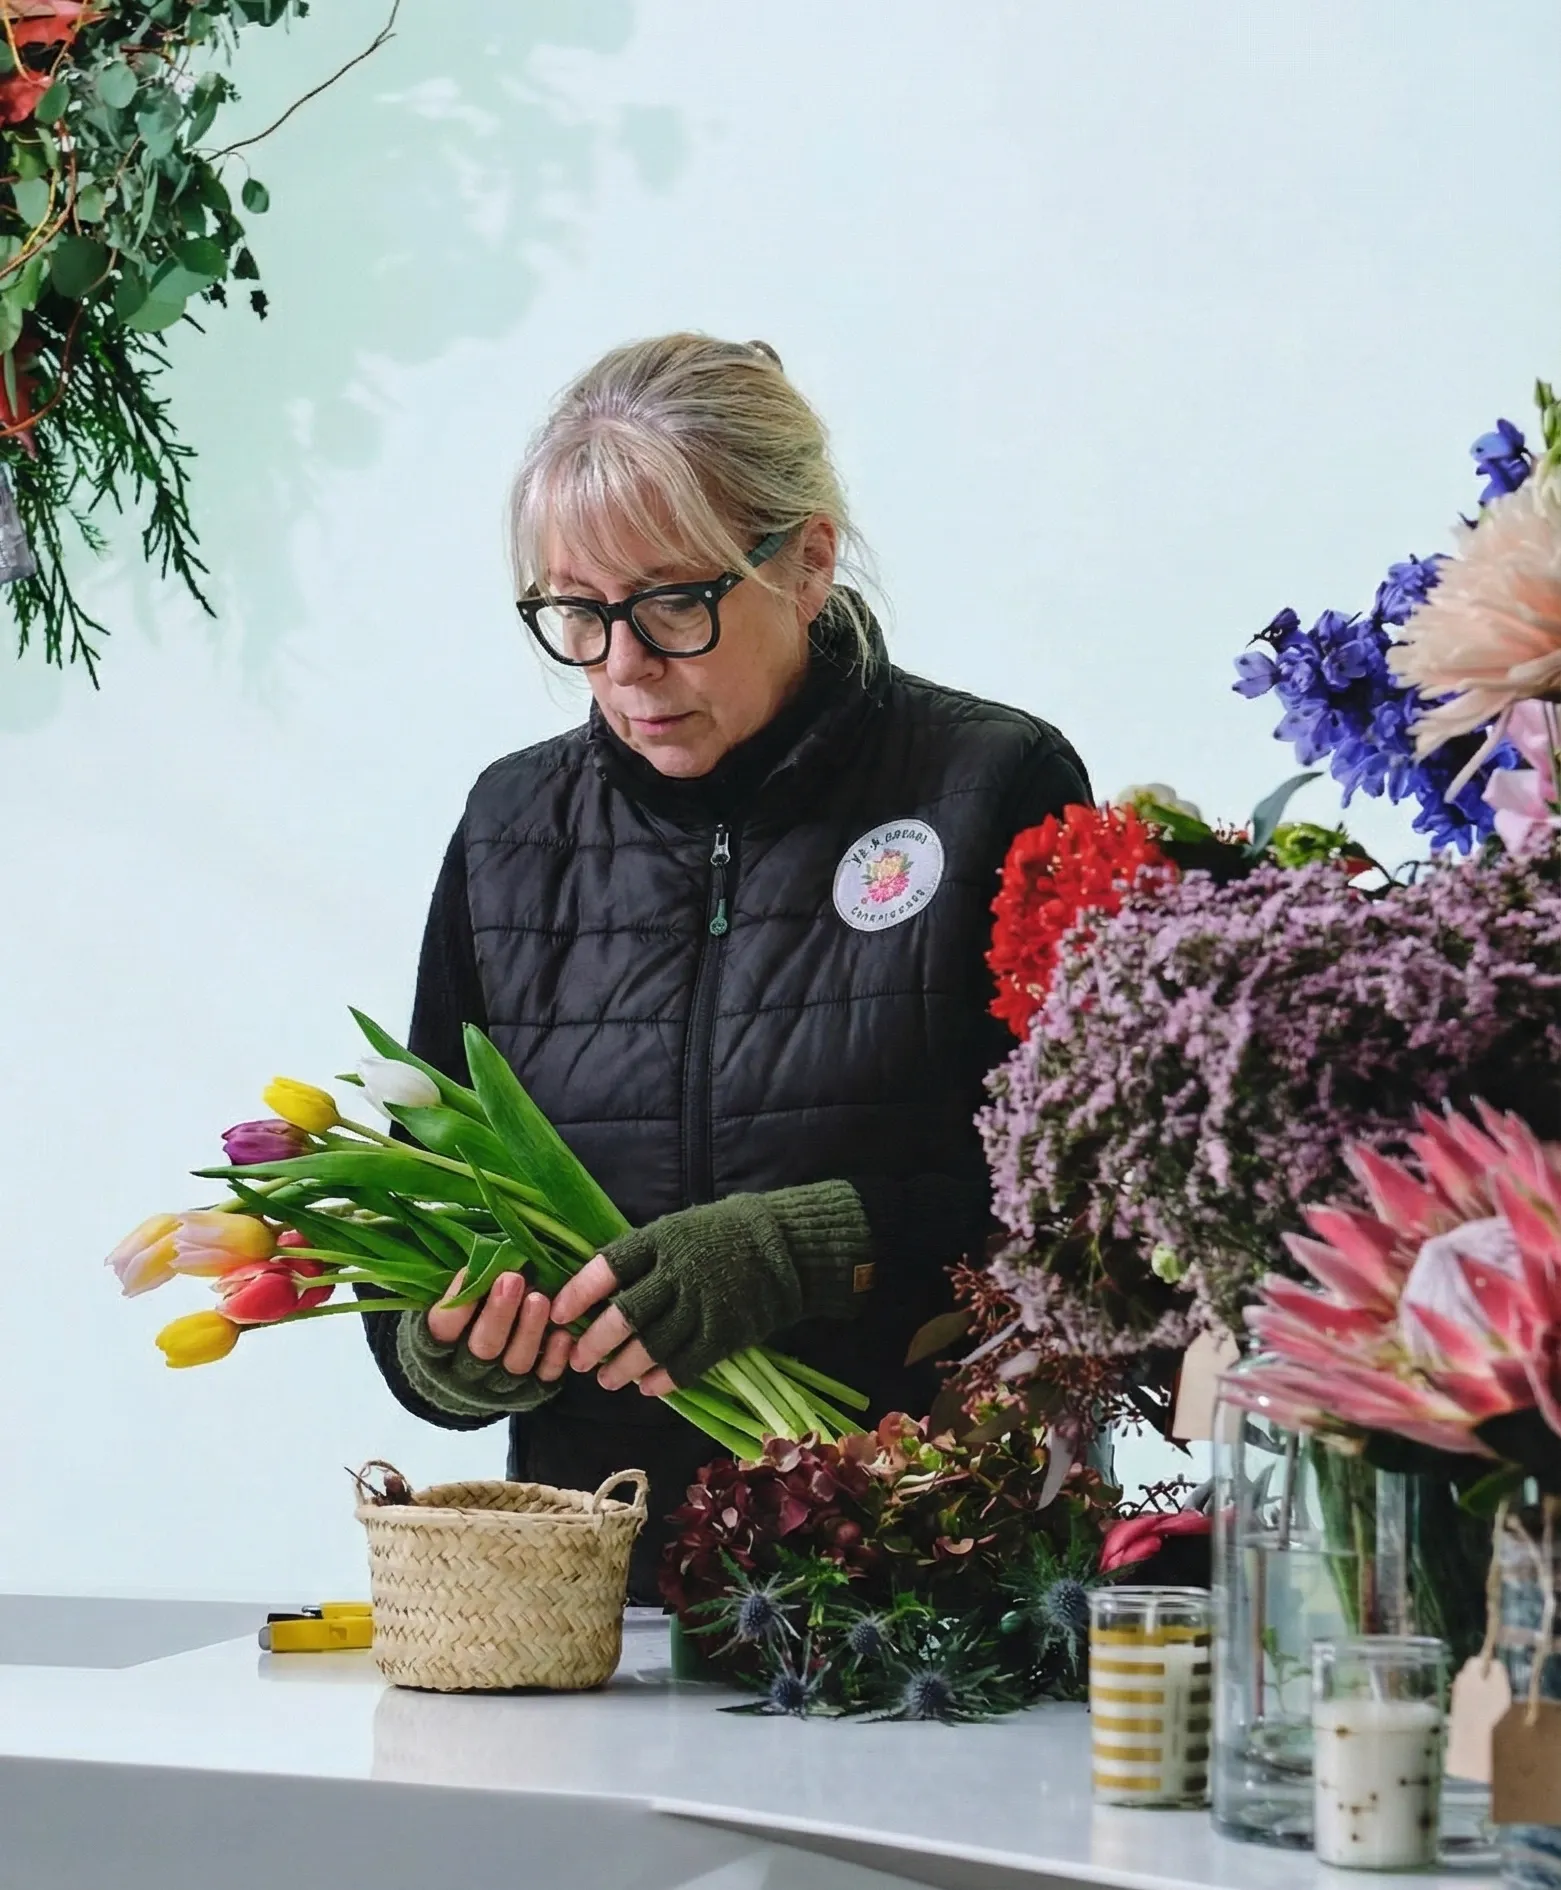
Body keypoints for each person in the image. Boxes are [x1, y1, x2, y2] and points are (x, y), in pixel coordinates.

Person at [361, 333, 1090, 1599]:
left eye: (670, 606)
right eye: (575, 614)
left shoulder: (992, 786)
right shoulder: (508, 830)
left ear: (806, 561)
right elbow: (420, 1201)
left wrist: (805, 1248)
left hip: (931, 1574)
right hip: (595, 1603)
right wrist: (451, 1348)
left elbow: (1084, 1208)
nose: (624, 667)